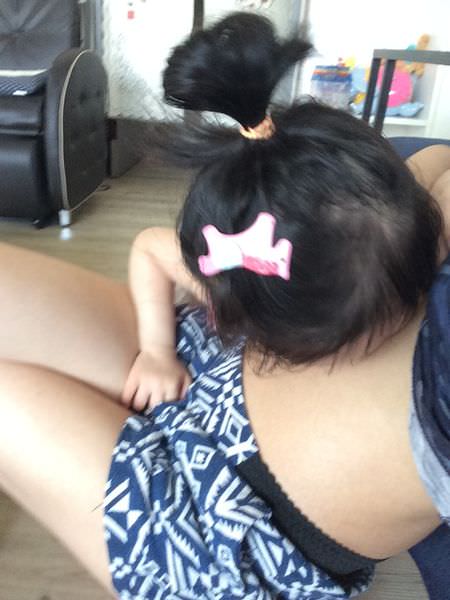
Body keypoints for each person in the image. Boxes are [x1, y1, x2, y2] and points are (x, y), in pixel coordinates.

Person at [0, 12, 449, 599]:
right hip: (196, 369)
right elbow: (435, 157)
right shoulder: (253, 266)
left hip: (224, 538)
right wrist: (157, 350)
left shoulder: (381, 237)